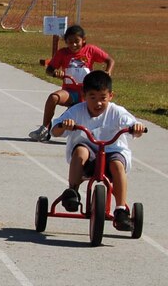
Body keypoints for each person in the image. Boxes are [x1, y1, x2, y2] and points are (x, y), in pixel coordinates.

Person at [51, 70, 145, 231]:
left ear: (110, 96)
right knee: (81, 151)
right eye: (92, 97)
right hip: (88, 154)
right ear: (84, 96)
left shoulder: (116, 111)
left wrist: (136, 128)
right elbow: (54, 130)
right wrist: (63, 125)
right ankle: (72, 192)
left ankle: (121, 209)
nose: (98, 103)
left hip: (113, 150)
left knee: (117, 165)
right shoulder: (77, 110)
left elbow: (131, 125)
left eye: (103, 98)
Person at [29, 24, 115, 142]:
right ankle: (45, 129)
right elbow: (49, 70)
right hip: (70, 92)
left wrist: (107, 72)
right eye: (70, 42)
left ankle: (96, 133)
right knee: (53, 97)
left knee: (90, 110)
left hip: (86, 93)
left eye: (77, 41)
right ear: (66, 42)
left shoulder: (91, 50)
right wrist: (55, 73)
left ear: (83, 40)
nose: (73, 45)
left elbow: (110, 60)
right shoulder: (62, 53)